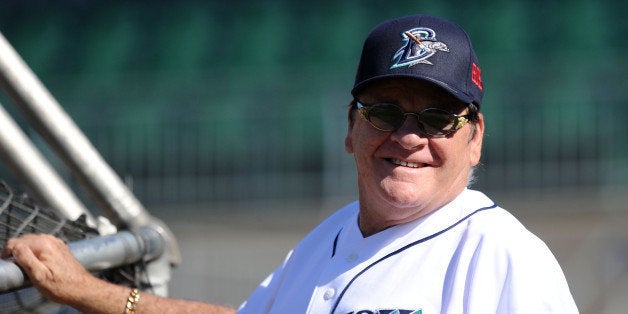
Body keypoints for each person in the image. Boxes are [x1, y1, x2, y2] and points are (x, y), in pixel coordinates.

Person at [3, 14, 578, 313]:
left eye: (436, 119)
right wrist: (85, 291)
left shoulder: (500, 253)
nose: (409, 136)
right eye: (385, 112)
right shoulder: (323, 241)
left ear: (474, 139)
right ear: (351, 130)